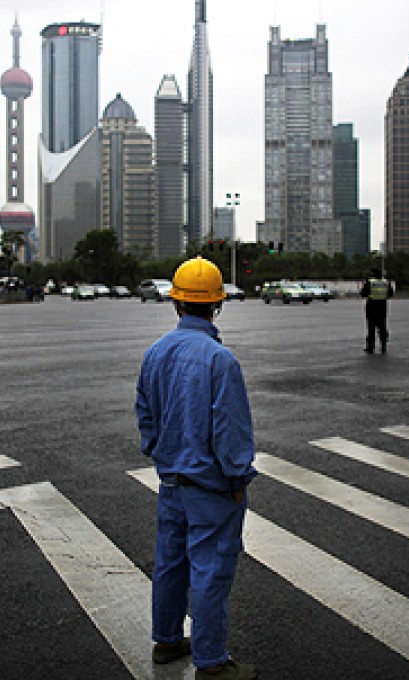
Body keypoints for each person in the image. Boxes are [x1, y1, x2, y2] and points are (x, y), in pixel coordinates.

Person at [135, 256, 258, 680]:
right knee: (209, 570)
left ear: (177, 304)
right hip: (211, 486)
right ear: (217, 305)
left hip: (171, 480)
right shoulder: (220, 360)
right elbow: (231, 431)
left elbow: (145, 413)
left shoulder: (155, 352)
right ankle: (210, 662)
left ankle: (167, 641)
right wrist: (238, 477)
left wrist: (159, 451)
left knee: (170, 562)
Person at [360, 267, 392, 354]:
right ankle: (383, 346)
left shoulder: (370, 282)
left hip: (372, 306)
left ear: (373, 274)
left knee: (371, 327)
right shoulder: (386, 282)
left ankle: (370, 347)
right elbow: (390, 294)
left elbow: (363, 293)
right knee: (382, 326)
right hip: (382, 306)